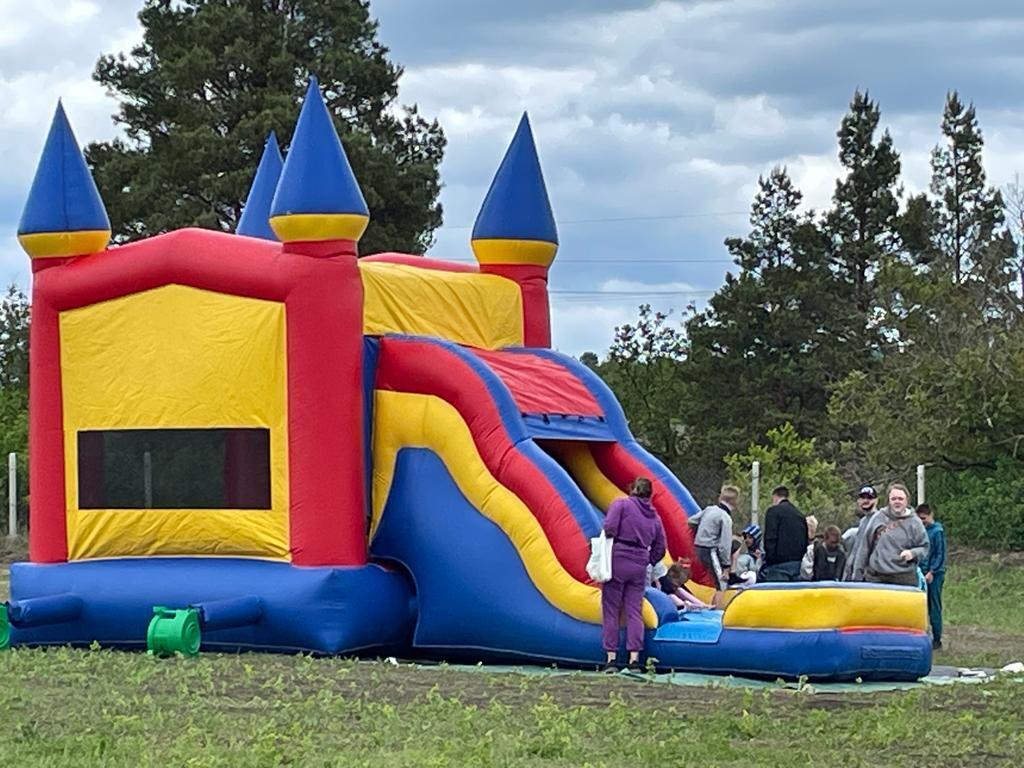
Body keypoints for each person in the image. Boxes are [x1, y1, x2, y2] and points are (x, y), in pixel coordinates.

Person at [601, 477, 667, 672]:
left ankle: (611, 658)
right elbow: (660, 547)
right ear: (650, 494)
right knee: (634, 611)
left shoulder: (621, 504)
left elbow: (610, 527)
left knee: (611, 609)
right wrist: (648, 560)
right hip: (639, 561)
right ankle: (634, 659)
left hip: (619, 557)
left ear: (633, 489)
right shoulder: (655, 517)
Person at [850, 483, 929, 586]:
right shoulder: (878, 518)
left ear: (907, 501)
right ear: (889, 501)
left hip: (904, 578)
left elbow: (924, 547)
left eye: (900, 499)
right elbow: (864, 548)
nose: (897, 502)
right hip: (877, 577)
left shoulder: (915, 522)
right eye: (894, 499)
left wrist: (912, 553)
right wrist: (857, 577)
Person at [693, 485, 739, 590]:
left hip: (698, 547)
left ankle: (733, 574)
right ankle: (732, 573)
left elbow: (691, 521)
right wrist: (726, 566)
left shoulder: (709, 509)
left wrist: (701, 532)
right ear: (734, 502)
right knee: (721, 584)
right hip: (710, 549)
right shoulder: (725, 517)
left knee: (736, 544)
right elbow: (725, 544)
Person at [761, 486, 809, 582]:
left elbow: (770, 537)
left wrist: (769, 559)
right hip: (797, 564)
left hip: (778, 564)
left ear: (775, 497)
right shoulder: (799, 514)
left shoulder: (773, 512)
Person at [917, 504, 947, 650]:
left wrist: (932, 572)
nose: (922, 522)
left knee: (934, 606)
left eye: (924, 519)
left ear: (930, 516)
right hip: (921, 571)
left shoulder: (937, 531)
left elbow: (940, 554)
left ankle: (937, 638)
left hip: (935, 573)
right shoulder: (920, 531)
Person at [843, 485, 879, 580]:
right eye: (863, 497)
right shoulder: (863, 521)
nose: (866, 501)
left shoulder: (879, 519)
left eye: (869, 498)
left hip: (869, 575)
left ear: (876, 500)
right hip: (856, 573)